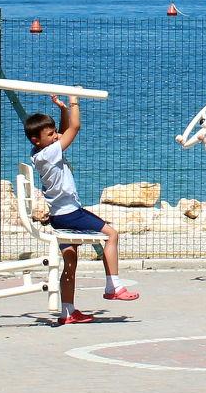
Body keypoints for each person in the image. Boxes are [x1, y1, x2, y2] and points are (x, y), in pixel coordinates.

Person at [25, 95, 137, 321]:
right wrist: (74, 100)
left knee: (70, 261)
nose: (55, 135)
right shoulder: (49, 153)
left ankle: (68, 311)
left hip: (58, 215)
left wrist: (63, 109)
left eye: (55, 132)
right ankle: (113, 286)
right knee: (111, 235)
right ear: (37, 139)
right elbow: (74, 128)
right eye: (50, 135)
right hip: (71, 213)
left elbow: (65, 129)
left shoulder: (40, 153)